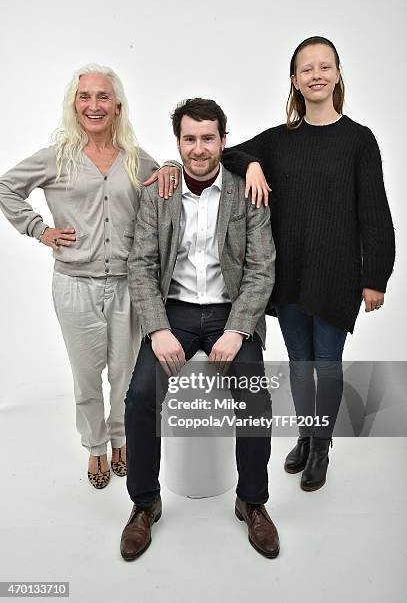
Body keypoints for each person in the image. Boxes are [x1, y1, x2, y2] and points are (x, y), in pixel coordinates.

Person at [153, 37, 396, 492]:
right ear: (295, 80)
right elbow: (216, 152)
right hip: (288, 277)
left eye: (325, 67)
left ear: (338, 74)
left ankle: (322, 444)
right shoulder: (280, 141)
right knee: (300, 361)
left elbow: (375, 213)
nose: (316, 75)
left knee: (328, 363)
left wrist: (375, 277)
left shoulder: (359, 140)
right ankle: (306, 435)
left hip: (336, 276)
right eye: (307, 69)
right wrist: (250, 166)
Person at [120, 98, 279, 560]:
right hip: (175, 313)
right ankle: (144, 504)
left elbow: (261, 267)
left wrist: (240, 328)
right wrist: (156, 328)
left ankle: (252, 500)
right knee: (141, 395)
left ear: (223, 141)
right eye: (189, 139)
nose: (198, 147)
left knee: (255, 396)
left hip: (230, 312)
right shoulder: (158, 192)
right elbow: (141, 264)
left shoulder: (245, 190)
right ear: (178, 142)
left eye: (208, 138)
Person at [0, 64, 159, 489]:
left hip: (128, 286)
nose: (94, 105)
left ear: (118, 106)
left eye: (103, 97)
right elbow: (6, 186)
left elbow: (168, 188)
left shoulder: (137, 159)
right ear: (75, 104)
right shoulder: (58, 157)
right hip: (73, 286)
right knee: (87, 376)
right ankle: (96, 447)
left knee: (125, 375)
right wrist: (40, 230)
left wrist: (173, 172)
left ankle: (122, 439)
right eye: (85, 97)